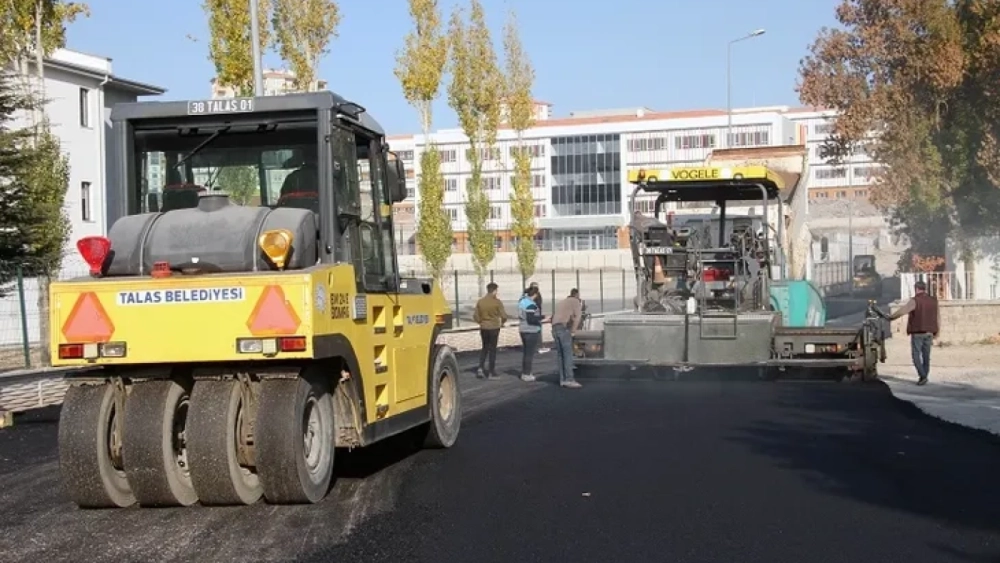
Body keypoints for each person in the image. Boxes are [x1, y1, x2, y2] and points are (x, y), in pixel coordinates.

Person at [885, 280, 939, 385]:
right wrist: (936, 331)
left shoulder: (915, 301)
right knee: (926, 356)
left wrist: (891, 317)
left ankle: (923, 376)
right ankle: (924, 377)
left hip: (918, 332)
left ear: (916, 289)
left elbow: (903, 310)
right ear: (925, 289)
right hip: (930, 332)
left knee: (915, 355)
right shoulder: (933, 301)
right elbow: (938, 317)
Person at [550, 288, 584, 389]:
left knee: (561, 355)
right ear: (577, 295)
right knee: (568, 354)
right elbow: (577, 317)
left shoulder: (562, 302)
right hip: (564, 328)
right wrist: (573, 331)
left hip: (554, 327)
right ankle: (569, 379)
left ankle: (563, 379)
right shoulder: (576, 302)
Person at [473, 282, 507, 379]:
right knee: (492, 349)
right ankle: (491, 372)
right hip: (494, 327)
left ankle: (480, 367)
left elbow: (475, 316)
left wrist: (481, 322)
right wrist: (502, 322)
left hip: (484, 327)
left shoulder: (480, 302)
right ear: (495, 291)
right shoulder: (497, 302)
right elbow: (504, 316)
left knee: (484, 348)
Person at [517, 286, 545, 382]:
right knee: (529, 353)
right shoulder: (531, 304)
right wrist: (543, 318)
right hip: (531, 330)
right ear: (536, 294)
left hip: (523, 329)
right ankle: (527, 373)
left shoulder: (522, 301)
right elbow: (531, 319)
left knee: (526, 353)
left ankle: (525, 372)